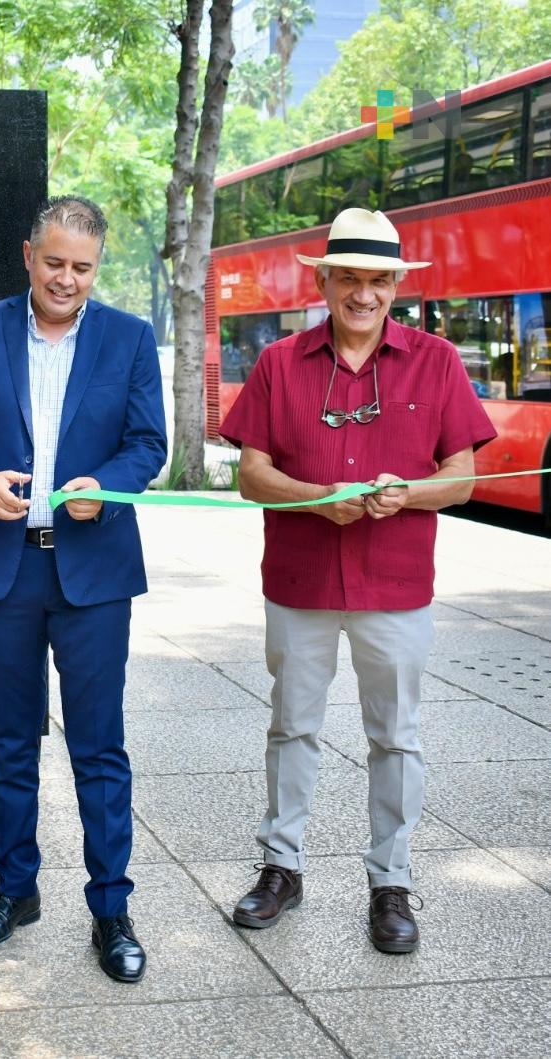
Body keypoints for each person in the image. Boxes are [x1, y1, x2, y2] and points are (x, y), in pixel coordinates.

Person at [219, 207, 496, 954]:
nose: (364, 294)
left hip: (396, 583)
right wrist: (316, 497)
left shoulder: (437, 360)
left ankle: (391, 882)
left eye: (379, 281)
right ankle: (283, 866)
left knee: (396, 738)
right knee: (292, 727)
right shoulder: (279, 362)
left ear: (394, 287)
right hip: (301, 579)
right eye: (350, 278)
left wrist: (405, 491)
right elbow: (251, 473)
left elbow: (462, 478)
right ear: (327, 281)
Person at [0, 196, 167, 983]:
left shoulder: (129, 338)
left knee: (99, 745)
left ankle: (111, 907)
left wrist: (112, 484)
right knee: (10, 737)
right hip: (7, 566)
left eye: (83, 267)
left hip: (93, 571)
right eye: (54, 262)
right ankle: (14, 889)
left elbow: (147, 443)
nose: (67, 279)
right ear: (28, 254)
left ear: (99, 267)